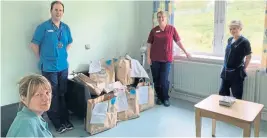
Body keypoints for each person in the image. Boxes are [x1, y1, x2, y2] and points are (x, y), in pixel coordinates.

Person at [30, 0, 73, 133]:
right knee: (51, 95)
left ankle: (65, 119)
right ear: (51, 11)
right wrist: (42, 58)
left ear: (63, 12)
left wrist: (62, 54)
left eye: (60, 10)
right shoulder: (43, 27)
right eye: (56, 10)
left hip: (63, 67)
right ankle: (57, 122)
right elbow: (34, 45)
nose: (58, 12)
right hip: (49, 68)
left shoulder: (65, 27)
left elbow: (69, 42)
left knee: (62, 93)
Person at [147, 11, 190, 107]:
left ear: (166, 18)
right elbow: (149, 45)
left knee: (164, 80)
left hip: (166, 59)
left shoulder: (171, 29)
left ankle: (165, 98)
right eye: (159, 17)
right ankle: (159, 97)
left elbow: (178, 42)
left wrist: (186, 52)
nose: (161, 18)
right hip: (155, 59)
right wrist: (148, 57)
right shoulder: (154, 30)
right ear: (157, 18)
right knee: (156, 79)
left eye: (162, 17)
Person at [219, 20, 252, 99]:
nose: (232, 31)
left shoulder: (245, 42)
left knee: (237, 97)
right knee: (222, 94)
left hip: (237, 74)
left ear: (240, 28)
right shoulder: (230, 40)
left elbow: (248, 56)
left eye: (234, 28)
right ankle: (224, 112)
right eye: (230, 29)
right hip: (226, 72)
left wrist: (244, 68)